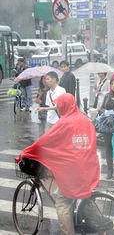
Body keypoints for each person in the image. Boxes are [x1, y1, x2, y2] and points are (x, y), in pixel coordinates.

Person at [18, 93, 100, 235]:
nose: (57, 107)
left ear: (63, 106)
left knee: (63, 201)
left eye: (58, 105)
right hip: (89, 167)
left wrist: (27, 152)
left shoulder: (64, 122)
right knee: (86, 196)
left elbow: (45, 141)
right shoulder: (85, 120)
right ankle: (102, 229)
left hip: (73, 171)